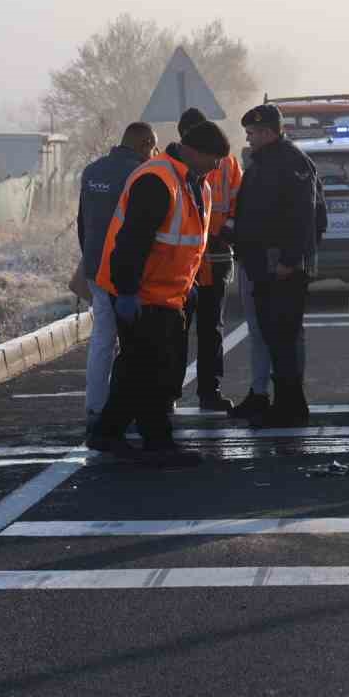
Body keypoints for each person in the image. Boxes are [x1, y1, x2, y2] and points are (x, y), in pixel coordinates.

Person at [88, 119, 232, 466]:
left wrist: (190, 287)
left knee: (141, 369)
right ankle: (155, 441)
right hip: (143, 293)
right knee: (150, 371)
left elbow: (187, 244)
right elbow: (131, 242)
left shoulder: (193, 183)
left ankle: (108, 434)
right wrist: (126, 292)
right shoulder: (157, 180)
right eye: (213, 159)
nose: (217, 167)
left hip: (169, 295)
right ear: (193, 152)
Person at [232, 104, 325, 428]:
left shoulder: (290, 162)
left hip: (280, 266)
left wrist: (290, 259)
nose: (249, 139)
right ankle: (282, 403)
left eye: (253, 133)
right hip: (262, 263)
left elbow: (307, 215)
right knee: (273, 335)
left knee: (284, 336)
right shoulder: (263, 163)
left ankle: (290, 406)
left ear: (270, 132)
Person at [73, 122, 155, 442]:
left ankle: (95, 407)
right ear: (145, 143)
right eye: (152, 148)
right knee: (133, 343)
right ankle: (127, 411)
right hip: (124, 270)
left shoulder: (92, 171)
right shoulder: (140, 175)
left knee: (102, 339)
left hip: (95, 267)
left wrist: (90, 261)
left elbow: (83, 222)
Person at [176, 107, 241, 412]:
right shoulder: (173, 167)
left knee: (192, 327)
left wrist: (226, 229)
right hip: (191, 260)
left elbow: (241, 199)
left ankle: (195, 391)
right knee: (203, 327)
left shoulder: (225, 162)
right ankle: (205, 392)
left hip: (209, 255)